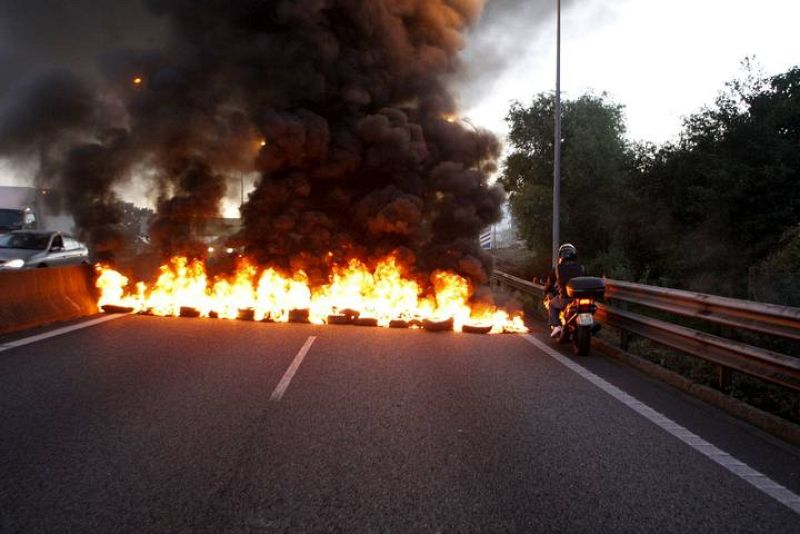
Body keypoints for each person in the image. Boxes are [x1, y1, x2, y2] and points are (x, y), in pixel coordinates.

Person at [543, 243, 585, 338]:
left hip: (565, 299)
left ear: (561, 255)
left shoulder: (557, 269)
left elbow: (549, 284)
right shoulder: (581, 267)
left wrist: (546, 291)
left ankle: (556, 326)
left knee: (551, 304)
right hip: (580, 298)